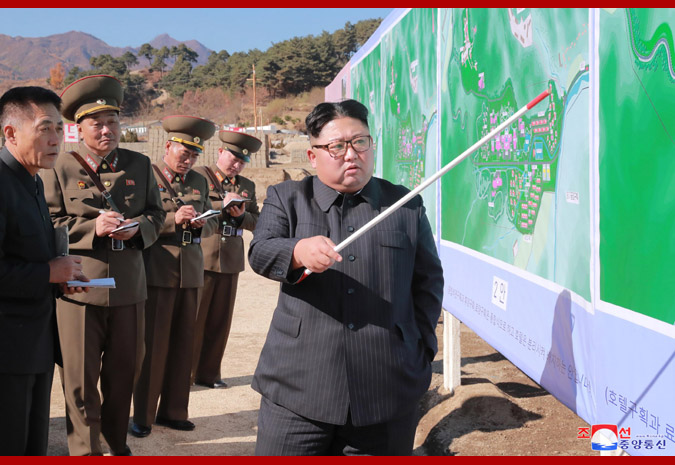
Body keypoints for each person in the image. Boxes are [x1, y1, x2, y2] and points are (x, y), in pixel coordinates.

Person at [248, 99, 444, 456]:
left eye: (360, 142)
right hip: (298, 392)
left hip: (385, 393)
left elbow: (428, 283)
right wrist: (297, 252)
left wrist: (421, 349)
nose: (351, 154)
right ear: (313, 156)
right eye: (337, 146)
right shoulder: (288, 198)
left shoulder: (404, 204)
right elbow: (260, 251)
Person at [42, 75, 166, 456]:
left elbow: (157, 216)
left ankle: (117, 443)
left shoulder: (140, 164)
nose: (107, 130)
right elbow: (47, 223)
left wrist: (139, 228)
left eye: (113, 122)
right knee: (80, 380)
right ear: (77, 128)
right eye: (96, 123)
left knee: (123, 373)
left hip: (129, 287)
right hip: (80, 289)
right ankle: (85, 449)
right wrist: (90, 228)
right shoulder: (59, 167)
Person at [0, 86, 88, 455]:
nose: (55, 140)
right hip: (7, 349)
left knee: (33, 442)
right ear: (11, 133)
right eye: (44, 129)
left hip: (33, 340)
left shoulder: (33, 181)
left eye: (59, 129)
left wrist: (60, 278)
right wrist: (48, 273)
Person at [131, 115, 217, 438]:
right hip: (158, 269)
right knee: (153, 345)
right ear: (168, 147)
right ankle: (143, 415)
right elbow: (136, 220)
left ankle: (175, 410)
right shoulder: (147, 176)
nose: (189, 160)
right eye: (184, 153)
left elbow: (211, 221)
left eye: (195, 155)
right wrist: (172, 220)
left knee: (184, 344)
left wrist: (200, 223)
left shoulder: (199, 182)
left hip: (191, 271)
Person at [191, 130, 262, 389]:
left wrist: (242, 215)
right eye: (233, 158)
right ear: (220, 153)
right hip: (203, 255)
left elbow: (258, 221)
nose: (236, 164)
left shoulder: (247, 186)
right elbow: (192, 211)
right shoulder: (198, 176)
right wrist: (221, 209)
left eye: (242, 161)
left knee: (220, 320)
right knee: (194, 318)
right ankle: (185, 373)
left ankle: (209, 374)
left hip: (231, 258)